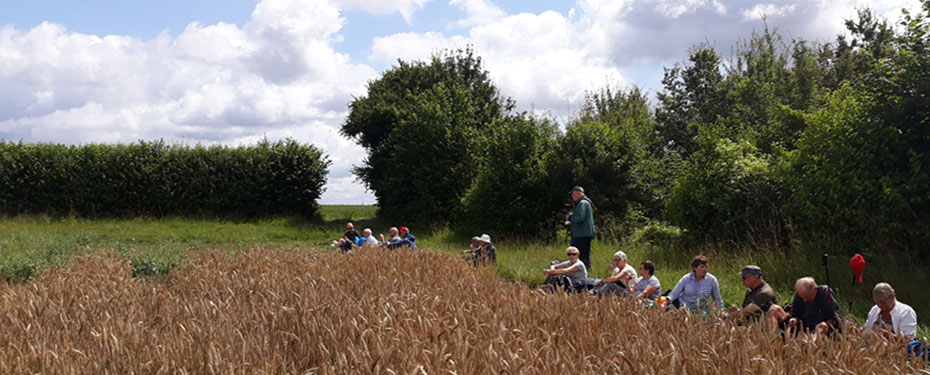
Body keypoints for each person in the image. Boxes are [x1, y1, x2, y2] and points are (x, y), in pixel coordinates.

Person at [768, 277, 839, 338]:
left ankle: (810, 345)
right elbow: (796, 313)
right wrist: (795, 319)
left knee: (823, 326)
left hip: (818, 327)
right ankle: (773, 339)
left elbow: (832, 318)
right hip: (802, 325)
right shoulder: (799, 296)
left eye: (807, 297)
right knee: (774, 308)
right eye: (802, 298)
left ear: (815, 290)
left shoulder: (824, 293)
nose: (804, 300)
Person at [566, 186, 595, 270]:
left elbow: (579, 218)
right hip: (583, 233)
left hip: (582, 234)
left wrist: (570, 218)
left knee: (579, 255)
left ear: (577, 193)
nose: (572, 196)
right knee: (583, 255)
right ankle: (586, 271)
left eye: (573, 194)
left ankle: (583, 272)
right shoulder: (584, 203)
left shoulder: (582, 203)